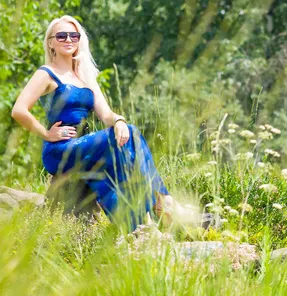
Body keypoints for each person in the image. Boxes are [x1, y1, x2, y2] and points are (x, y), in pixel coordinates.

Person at [11, 15, 175, 230]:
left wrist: (119, 122)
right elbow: (18, 110)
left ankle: (139, 226)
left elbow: (106, 114)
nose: (68, 39)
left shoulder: (85, 77)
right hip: (59, 150)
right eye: (61, 36)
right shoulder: (46, 73)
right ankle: (163, 201)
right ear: (51, 42)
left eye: (73, 35)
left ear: (80, 40)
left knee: (121, 155)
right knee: (124, 140)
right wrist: (46, 134)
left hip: (84, 145)